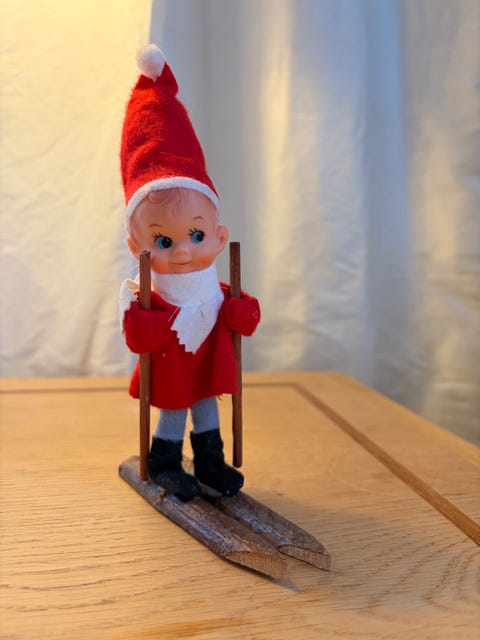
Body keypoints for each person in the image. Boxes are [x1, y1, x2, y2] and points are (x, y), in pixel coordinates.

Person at [119, 45, 260, 501]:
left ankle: (209, 461)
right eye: (163, 242)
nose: (182, 251)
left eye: (196, 236)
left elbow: (242, 317)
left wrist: (240, 313)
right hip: (173, 361)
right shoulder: (148, 295)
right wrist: (145, 322)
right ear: (137, 248)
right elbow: (138, 337)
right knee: (176, 406)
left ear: (219, 238)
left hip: (208, 357)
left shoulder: (217, 287)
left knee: (207, 405)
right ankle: (164, 460)